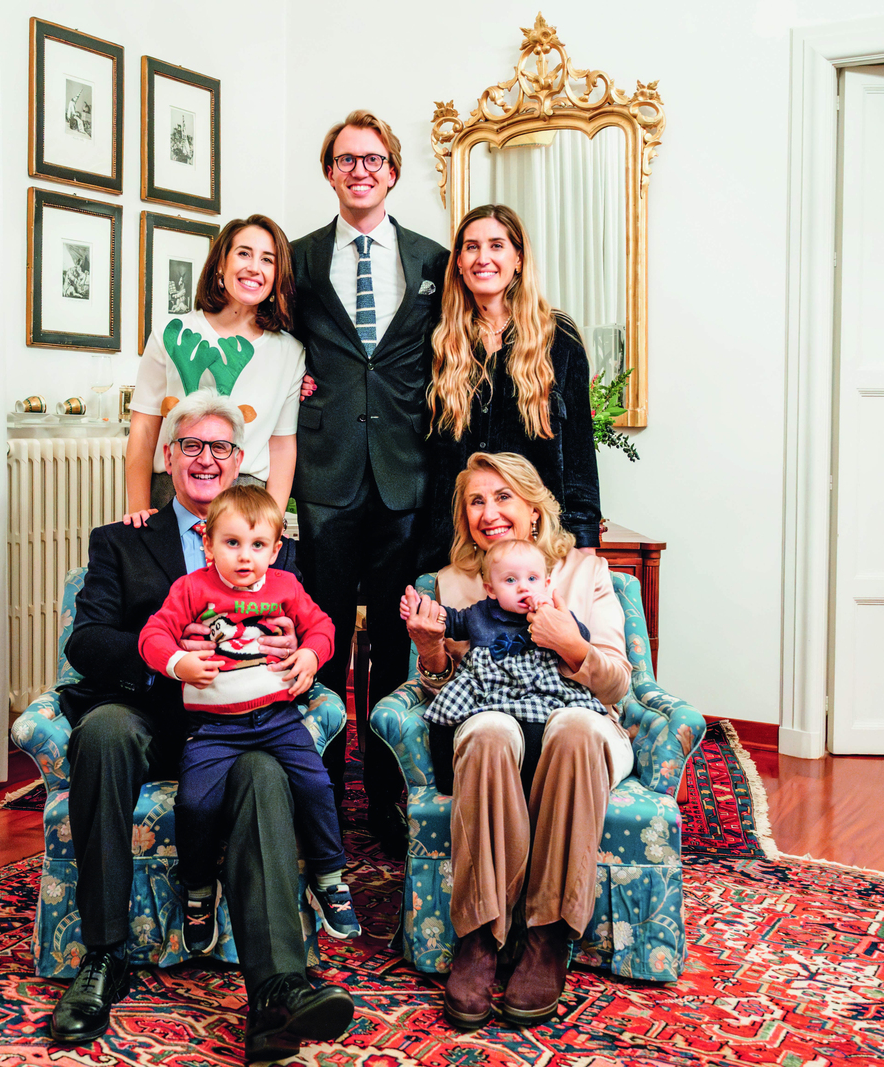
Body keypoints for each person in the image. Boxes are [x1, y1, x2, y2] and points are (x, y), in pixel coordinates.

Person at [51, 391, 356, 1060]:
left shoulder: (276, 547)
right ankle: (102, 956)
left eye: (221, 446)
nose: (206, 458)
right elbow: (86, 640)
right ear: (169, 457)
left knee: (265, 773)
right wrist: (167, 659)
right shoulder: (122, 539)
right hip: (148, 711)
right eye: (192, 445)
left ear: (239, 460)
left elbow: (309, 629)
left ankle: (278, 987)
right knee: (101, 733)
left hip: (241, 723)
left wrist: (299, 655)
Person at [401, 451, 631, 1030]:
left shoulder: (584, 571)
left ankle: (548, 935)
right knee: (487, 729)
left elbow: (619, 683)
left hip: (576, 726)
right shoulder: (453, 582)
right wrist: (430, 648)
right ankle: (480, 935)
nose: (489, 512)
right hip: (496, 722)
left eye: (503, 497)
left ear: (534, 509)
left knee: (575, 728)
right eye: (476, 501)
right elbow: (444, 688)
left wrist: (569, 643)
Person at [291, 109, 450, 850]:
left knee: (391, 640)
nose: (361, 170)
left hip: (403, 473)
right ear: (330, 172)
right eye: (347, 159)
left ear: (392, 172)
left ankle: (386, 795)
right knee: (321, 635)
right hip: (323, 474)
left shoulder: (432, 261)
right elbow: (272, 344)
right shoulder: (296, 259)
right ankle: (320, 790)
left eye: (374, 159)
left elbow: (446, 358)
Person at [138, 484, 360, 953]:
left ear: (275, 550)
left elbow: (322, 626)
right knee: (194, 803)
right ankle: (199, 890)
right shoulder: (191, 589)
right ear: (208, 544)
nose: (245, 556)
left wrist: (310, 655)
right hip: (213, 729)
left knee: (317, 786)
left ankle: (329, 878)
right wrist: (178, 663)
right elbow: (152, 635)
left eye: (258, 545)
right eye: (232, 542)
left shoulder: (285, 587)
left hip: (278, 719)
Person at [421, 204, 602, 570]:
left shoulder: (558, 338)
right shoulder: (437, 341)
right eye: (471, 247)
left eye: (496, 245)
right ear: (458, 263)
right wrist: (310, 380)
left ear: (518, 258)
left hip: (536, 549)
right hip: (454, 547)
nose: (482, 258)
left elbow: (579, 454)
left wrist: (584, 547)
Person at [126, 216, 304, 522]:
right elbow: (143, 428)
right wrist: (138, 511)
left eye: (267, 259)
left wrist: (271, 522)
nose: (254, 267)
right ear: (221, 263)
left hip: (248, 501)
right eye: (244, 253)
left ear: (277, 275)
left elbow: (282, 447)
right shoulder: (171, 333)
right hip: (171, 492)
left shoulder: (290, 352)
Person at [403, 538, 604, 731]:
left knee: (556, 717)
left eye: (532, 578)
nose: (523, 587)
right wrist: (420, 608)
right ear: (491, 589)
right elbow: (451, 620)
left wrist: (554, 615)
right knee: (447, 713)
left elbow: (582, 637)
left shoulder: (551, 614)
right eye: (510, 580)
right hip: (487, 687)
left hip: (538, 687)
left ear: (546, 584)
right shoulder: (479, 613)